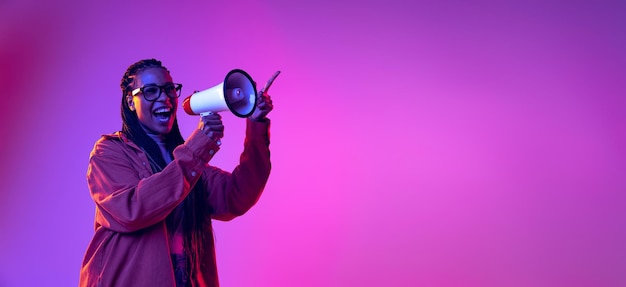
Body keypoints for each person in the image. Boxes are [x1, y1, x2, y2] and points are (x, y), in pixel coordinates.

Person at [79, 58, 272, 287]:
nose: (164, 97)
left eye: (170, 89)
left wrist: (256, 124)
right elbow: (133, 210)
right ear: (131, 102)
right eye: (151, 90)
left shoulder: (189, 162)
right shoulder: (109, 152)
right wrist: (199, 146)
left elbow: (238, 195)